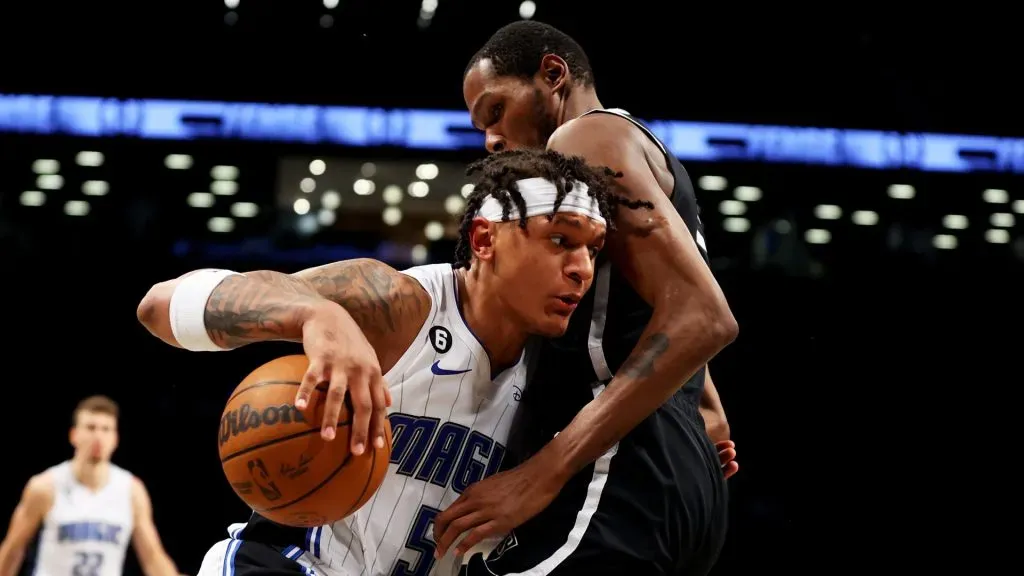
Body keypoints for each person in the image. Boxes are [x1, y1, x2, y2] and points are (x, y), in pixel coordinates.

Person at [135, 149, 639, 576]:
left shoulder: (560, 373)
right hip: (286, 562)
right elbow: (159, 307)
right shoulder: (395, 303)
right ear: (485, 241)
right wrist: (314, 313)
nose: (582, 270)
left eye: (593, 250)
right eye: (560, 240)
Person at [433, 21, 741, 576]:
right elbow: (688, 345)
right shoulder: (639, 145)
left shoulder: (584, 138)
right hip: (667, 468)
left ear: (553, 75)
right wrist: (699, 422)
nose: (491, 140)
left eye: (495, 112)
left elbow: (705, 315)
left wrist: (540, 472)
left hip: (614, 470)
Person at [0, 395, 181, 576]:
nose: (98, 436)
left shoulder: (131, 490)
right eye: (90, 428)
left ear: (115, 438)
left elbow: (152, 557)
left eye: (106, 429)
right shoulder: (45, 486)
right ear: (74, 435)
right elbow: (13, 549)